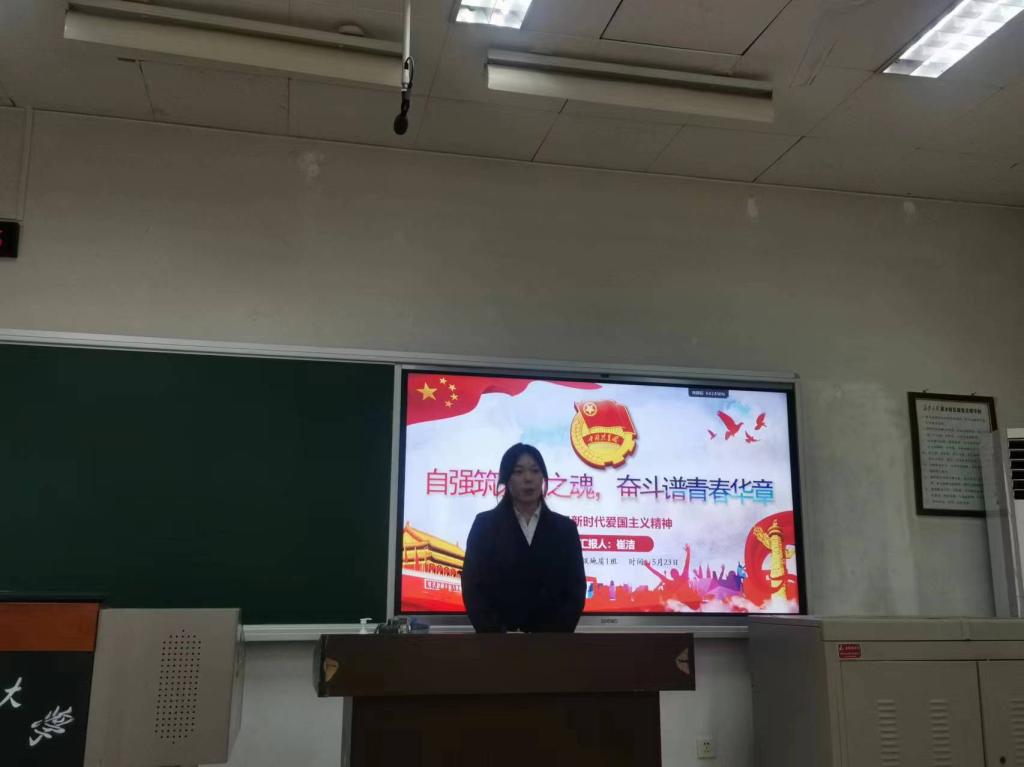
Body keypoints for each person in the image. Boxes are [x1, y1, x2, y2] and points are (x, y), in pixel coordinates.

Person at [461, 443, 586, 633]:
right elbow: (473, 587)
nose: (528, 478)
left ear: (543, 477)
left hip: (552, 643)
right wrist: (495, 635)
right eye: (518, 472)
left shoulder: (565, 529)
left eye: (535, 471)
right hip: (498, 643)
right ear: (506, 479)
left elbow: (575, 590)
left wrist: (554, 637)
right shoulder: (485, 525)